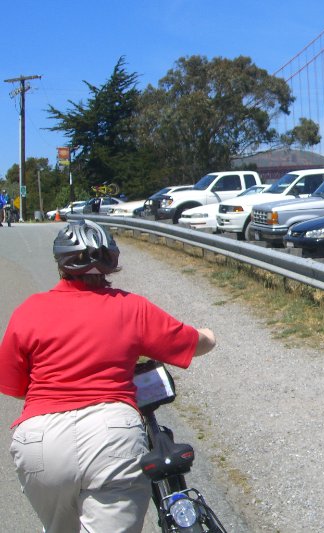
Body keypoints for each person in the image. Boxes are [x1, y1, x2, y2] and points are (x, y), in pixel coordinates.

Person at [0, 219, 216, 532]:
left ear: (61, 264)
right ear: (111, 264)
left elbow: (16, 385)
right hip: (111, 433)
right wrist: (209, 334)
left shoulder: (28, 310)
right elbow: (193, 343)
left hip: (39, 439)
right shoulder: (130, 307)